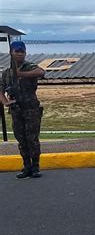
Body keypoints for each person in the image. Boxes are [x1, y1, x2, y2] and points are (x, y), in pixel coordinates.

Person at [0, 40, 45, 179]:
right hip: (16, 110)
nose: (19, 54)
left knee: (32, 138)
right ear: (11, 53)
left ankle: (36, 167)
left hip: (31, 109)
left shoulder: (29, 66)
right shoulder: (7, 73)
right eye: (17, 51)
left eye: (22, 52)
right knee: (21, 139)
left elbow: (41, 71)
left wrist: (21, 74)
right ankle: (26, 166)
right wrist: (5, 102)